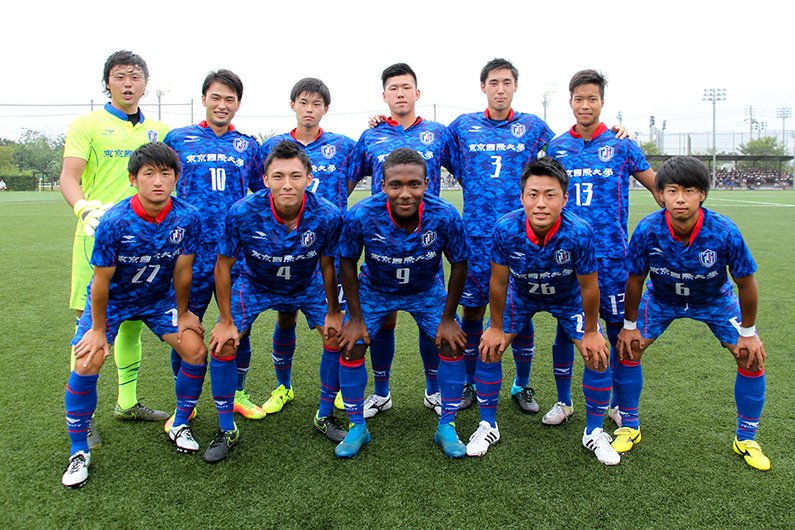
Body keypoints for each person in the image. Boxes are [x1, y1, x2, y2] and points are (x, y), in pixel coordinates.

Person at [61, 142, 206, 488]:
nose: (158, 181)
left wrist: (184, 313)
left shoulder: (188, 217)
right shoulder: (115, 220)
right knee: (88, 360)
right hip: (113, 303)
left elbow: (183, 272)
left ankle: (180, 422)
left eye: (166, 173)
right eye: (149, 174)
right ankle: (79, 450)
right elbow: (100, 282)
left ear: (176, 177)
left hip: (158, 300)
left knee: (196, 349)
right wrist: (97, 329)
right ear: (133, 179)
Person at [616, 156, 769, 470]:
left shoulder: (724, 231)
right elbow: (635, 280)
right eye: (672, 191)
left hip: (713, 299)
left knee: (749, 355)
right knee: (628, 347)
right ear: (661, 194)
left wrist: (749, 333)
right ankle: (629, 425)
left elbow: (746, 283)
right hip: (662, 298)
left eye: (689, 190)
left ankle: (746, 437)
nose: (680, 199)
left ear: (702, 194)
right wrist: (630, 325)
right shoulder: (647, 229)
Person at [59, 50, 172, 448]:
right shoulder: (86, 124)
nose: (129, 83)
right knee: (89, 329)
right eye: (121, 76)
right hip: (95, 241)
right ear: (107, 82)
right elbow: (68, 178)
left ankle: (127, 402)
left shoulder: (159, 129)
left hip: (146, 249)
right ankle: (81, 418)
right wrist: (82, 207)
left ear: (145, 83)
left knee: (134, 323)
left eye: (136, 77)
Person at [476, 157, 619, 465]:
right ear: (522, 196)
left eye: (550, 195)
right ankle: (487, 425)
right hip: (522, 294)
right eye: (533, 194)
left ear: (565, 199)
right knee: (489, 348)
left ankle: (593, 432)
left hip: (567, 298)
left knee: (597, 354)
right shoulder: (505, 228)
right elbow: (499, 282)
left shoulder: (579, 232)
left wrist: (592, 332)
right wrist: (496, 326)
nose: (540, 203)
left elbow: (589, 287)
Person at [209, 140, 345, 460]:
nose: (288, 184)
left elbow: (328, 265)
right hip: (256, 282)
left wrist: (335, 312)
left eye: (296, 176)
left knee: (337, 335)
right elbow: (223, 266)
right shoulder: (242, 212)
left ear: (309, 179)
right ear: (266, 179)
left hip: (306, 282)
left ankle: (325, 415)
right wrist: (226, 321)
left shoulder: (327, 214)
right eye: (279, 176)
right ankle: (226, 427)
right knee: (225, 341)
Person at [336, 147, 469, 458]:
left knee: (452, 344)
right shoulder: (361, 215)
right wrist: (354, 318)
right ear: (382, 186)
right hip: (376, 288)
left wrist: (448, 318)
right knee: (351, 344)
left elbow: (460, 263)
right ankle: (358, 427)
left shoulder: (445, 214)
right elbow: (346, 262)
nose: (405, 193)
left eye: (414, 184)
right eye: (395, 185)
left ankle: (446, 425)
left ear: (427, 184)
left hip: (425, 289)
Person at [544, 69, 657, 428]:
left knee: (615, 329)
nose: (585, 105)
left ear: (602, 102)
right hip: (567, 256)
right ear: (570, 102)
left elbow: (659, 188)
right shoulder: (557, 146)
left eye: (592, 98)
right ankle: (564, 402)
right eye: (579, 99)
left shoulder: (622, 145)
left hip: (610, 258)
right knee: (566, 327)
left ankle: (619, 406)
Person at [346, 63, 457, 419]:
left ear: (417, 93)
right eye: (393, 88)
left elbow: (469, 172)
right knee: (384, 322)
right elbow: (347, 182)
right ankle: (381, 393)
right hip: (382, 245)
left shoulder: (439, 133)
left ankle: (434, 391)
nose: (400, 94)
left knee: (432, 326)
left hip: (427, 245)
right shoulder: (371, 136)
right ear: (384, 96)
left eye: (406, 87)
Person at [447, 58, 554, 415]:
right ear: (483, 87)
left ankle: (521, 385)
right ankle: (469, 382)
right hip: (475, 236)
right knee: (473, 310)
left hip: (520, 237)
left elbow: (566, 150)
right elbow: (432, 152)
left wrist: (615, 131)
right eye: (494, 83)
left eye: (507, 82)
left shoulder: (533, 126)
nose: (500, 89)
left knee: (519, 313)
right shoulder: (462, 127)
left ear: (515, 86)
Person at [163, 69, 265, 423]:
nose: (222, 105)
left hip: (233, 253)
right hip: (188, 252)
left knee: (238, 325)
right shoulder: (178, 139)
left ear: (238, 104)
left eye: (230, 99)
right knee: (185, 326)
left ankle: (236, 393)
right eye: (216, 97)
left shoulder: (249, 145)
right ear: (204, 98)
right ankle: (184, 403)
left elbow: (262, 192)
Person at [254, 78, 355, 417]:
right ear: (293, 105)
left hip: (330, 246)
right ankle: (283, 386)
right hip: (286, 248)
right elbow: (262, 191)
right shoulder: (272, 145)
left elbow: (373, 161)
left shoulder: (343, 145)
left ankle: (337, 391)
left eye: (316, 104)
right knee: (286, 316)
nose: (309, 110)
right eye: (303, 103)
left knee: (335, 319)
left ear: (325, 109)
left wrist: (381, 123)